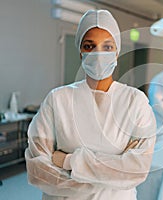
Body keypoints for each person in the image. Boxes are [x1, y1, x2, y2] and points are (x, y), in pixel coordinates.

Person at [25, 10, 156, 200]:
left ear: (117, 52)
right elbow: (39, 171)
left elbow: (136, 170)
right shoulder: (57, 99)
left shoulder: (135, 101)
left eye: (107, 46)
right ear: (80, 52)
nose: (98, 53)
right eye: (89, 46)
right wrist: (112, 173)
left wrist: (69, 161)